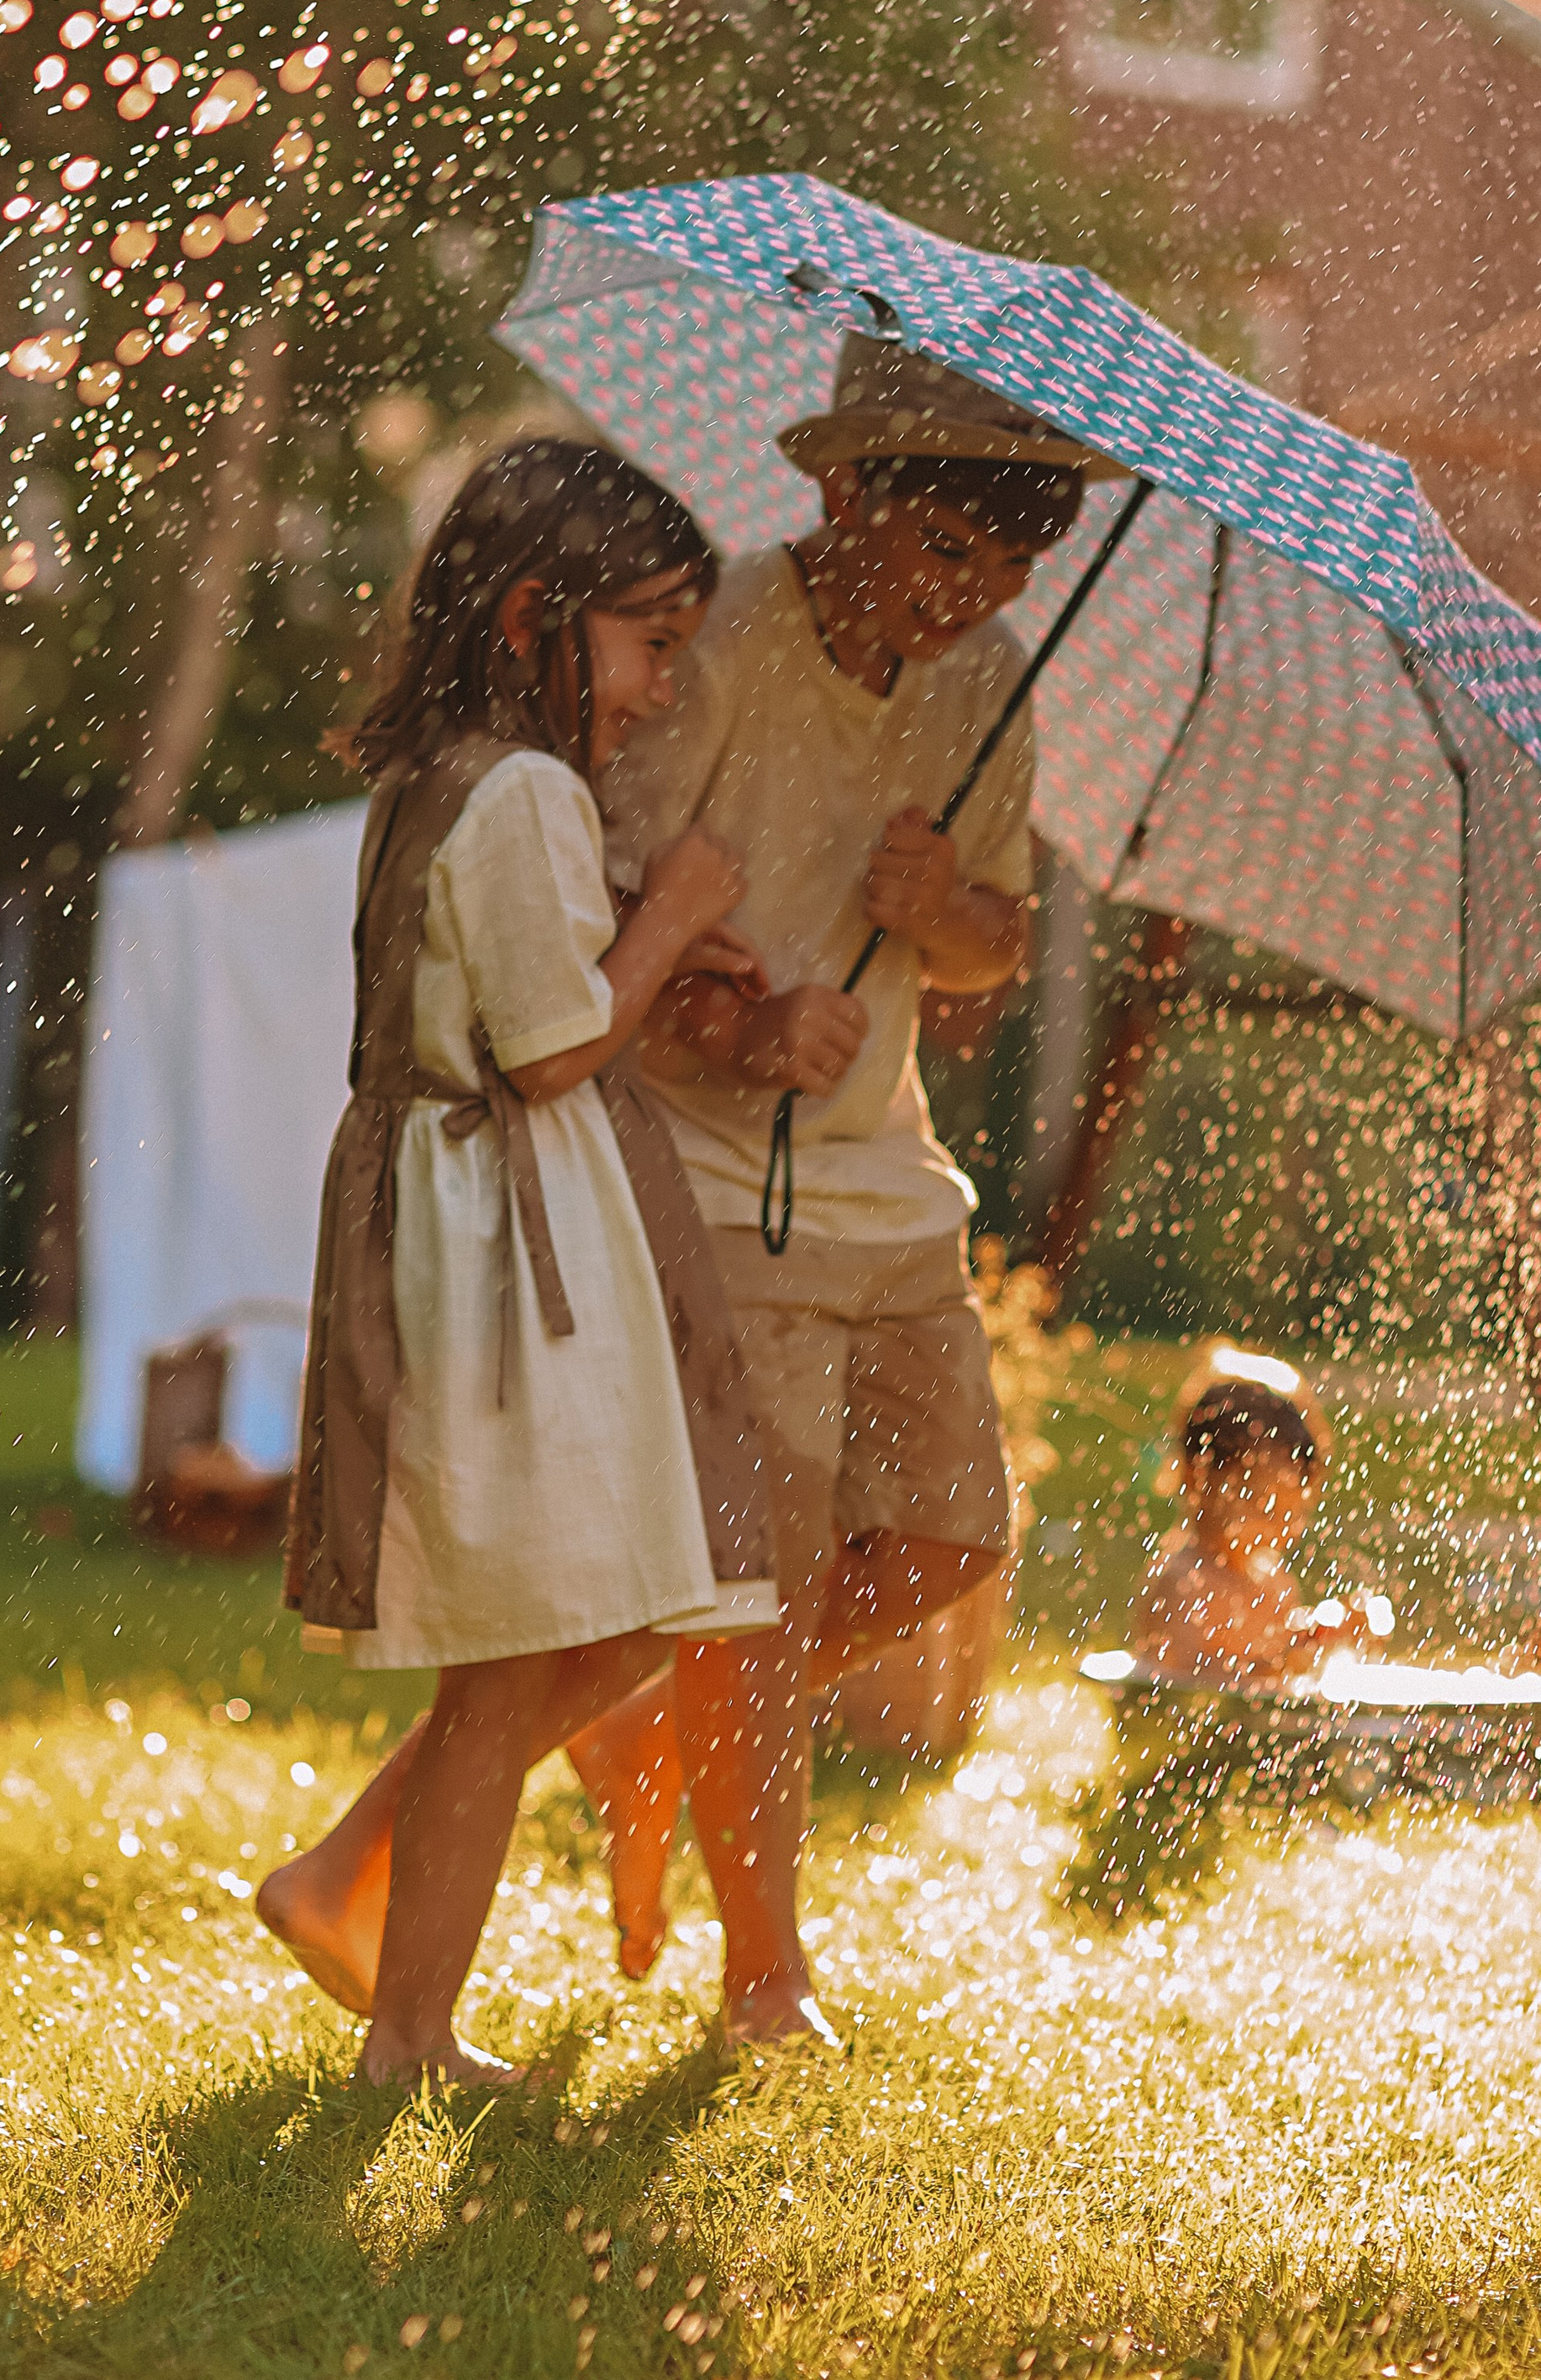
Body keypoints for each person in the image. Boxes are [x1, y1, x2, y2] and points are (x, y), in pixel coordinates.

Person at [563, 335, 1107, 2046]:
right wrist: (741, 1028)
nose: (974, 595)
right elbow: (597, 917)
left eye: (1009, 569)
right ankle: (763, 1975)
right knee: (767, 1574)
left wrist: (941, 907)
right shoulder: (715, 643)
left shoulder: (986, 680)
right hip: (707, 1169)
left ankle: (651, 1729)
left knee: (950, 1535)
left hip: (882, 1171)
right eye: (946, 548)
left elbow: (991, 949)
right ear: (845, 488)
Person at [258, 439, 778, 2086]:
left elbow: (495, 983)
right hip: (505, 1255)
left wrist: (638, 925)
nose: (663, 685)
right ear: (531, 616)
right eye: (649, 642)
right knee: (513, 1659)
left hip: (455, 1227)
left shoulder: (444, 776)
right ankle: (407, 2034)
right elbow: (552, 1048)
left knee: (598, 1612)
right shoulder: (531, 789)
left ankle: (357, 1917)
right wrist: (671, 913)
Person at [1128, 1346, 1350, 1687]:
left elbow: (1281, 1669)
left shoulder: (1275, 1585)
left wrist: (1314, 1640)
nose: (1281, 1525)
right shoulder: (1181, 1581)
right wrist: (1278, 1663)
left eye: (1292, 1510)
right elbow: (1192, 1678)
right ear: (1198, 1478)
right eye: (1264, 1506)